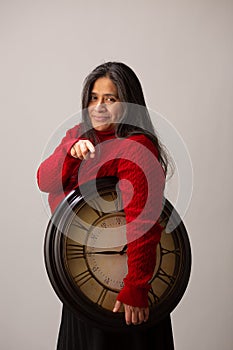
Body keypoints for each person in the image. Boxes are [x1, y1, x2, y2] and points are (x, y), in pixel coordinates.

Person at [37, 62, 174, 349]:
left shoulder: (136, 148)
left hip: (123, 287)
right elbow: (45, 180)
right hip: (82, 283)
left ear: (128, 104)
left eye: (110, 99)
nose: (99, 106)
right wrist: (71, 151)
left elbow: (143, 221)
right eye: (94, 98)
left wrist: (136, 288)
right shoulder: (79, 134)